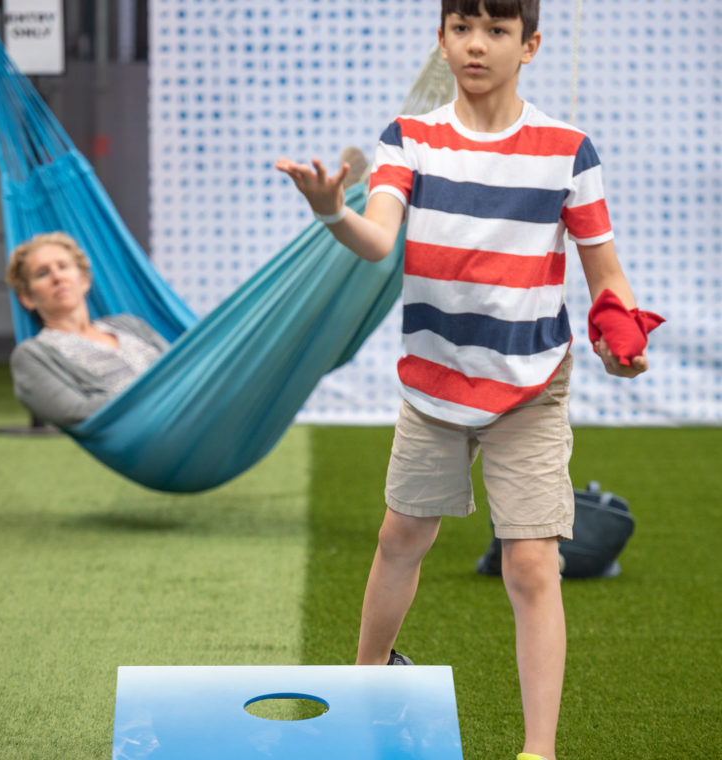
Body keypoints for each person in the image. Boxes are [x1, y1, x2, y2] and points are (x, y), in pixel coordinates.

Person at [276, 2, 659, 759]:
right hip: (435, 382)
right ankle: (365, 684)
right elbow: (379, 238)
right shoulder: (409, 138)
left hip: (530, 384)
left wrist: (621, 332)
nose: (476, 45)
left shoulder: (569, 150)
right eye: (461, 28)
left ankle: (538, 750)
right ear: (442, 38)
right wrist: (330, 213)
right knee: (401, 535)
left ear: (531, 44)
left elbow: (606, 274)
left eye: (496, 30)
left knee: (531, 561)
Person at [5, 232, 169, 426]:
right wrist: (156, 395)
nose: (57, 277)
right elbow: (77, 411)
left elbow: (186, 367)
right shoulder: (33, 355)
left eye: (63, 267)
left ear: (84, 280)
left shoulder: (129, 325)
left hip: (191, 412)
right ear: (27, 298)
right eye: (43, 273)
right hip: (153, 431)